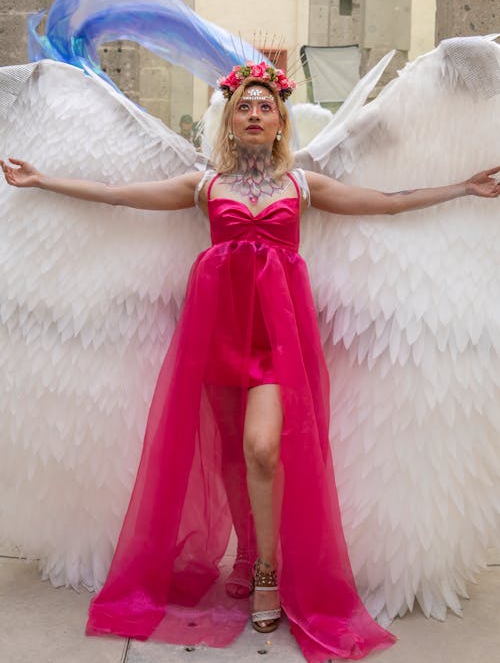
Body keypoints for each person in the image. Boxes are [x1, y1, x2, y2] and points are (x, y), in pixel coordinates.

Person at [2, 62, 499, 662]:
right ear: (231, 121)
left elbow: (387, 202)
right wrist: (43, 181)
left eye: (266, 106)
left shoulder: (303, 185)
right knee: (232, 457)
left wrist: (463, 188)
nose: (256, 114)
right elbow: (116, 197)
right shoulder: (203, 185)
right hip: (215, 333)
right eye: (245, 106)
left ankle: (267, 569)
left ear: (280, 121)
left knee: (263, 448)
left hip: (277, 338)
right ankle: (241, 553)